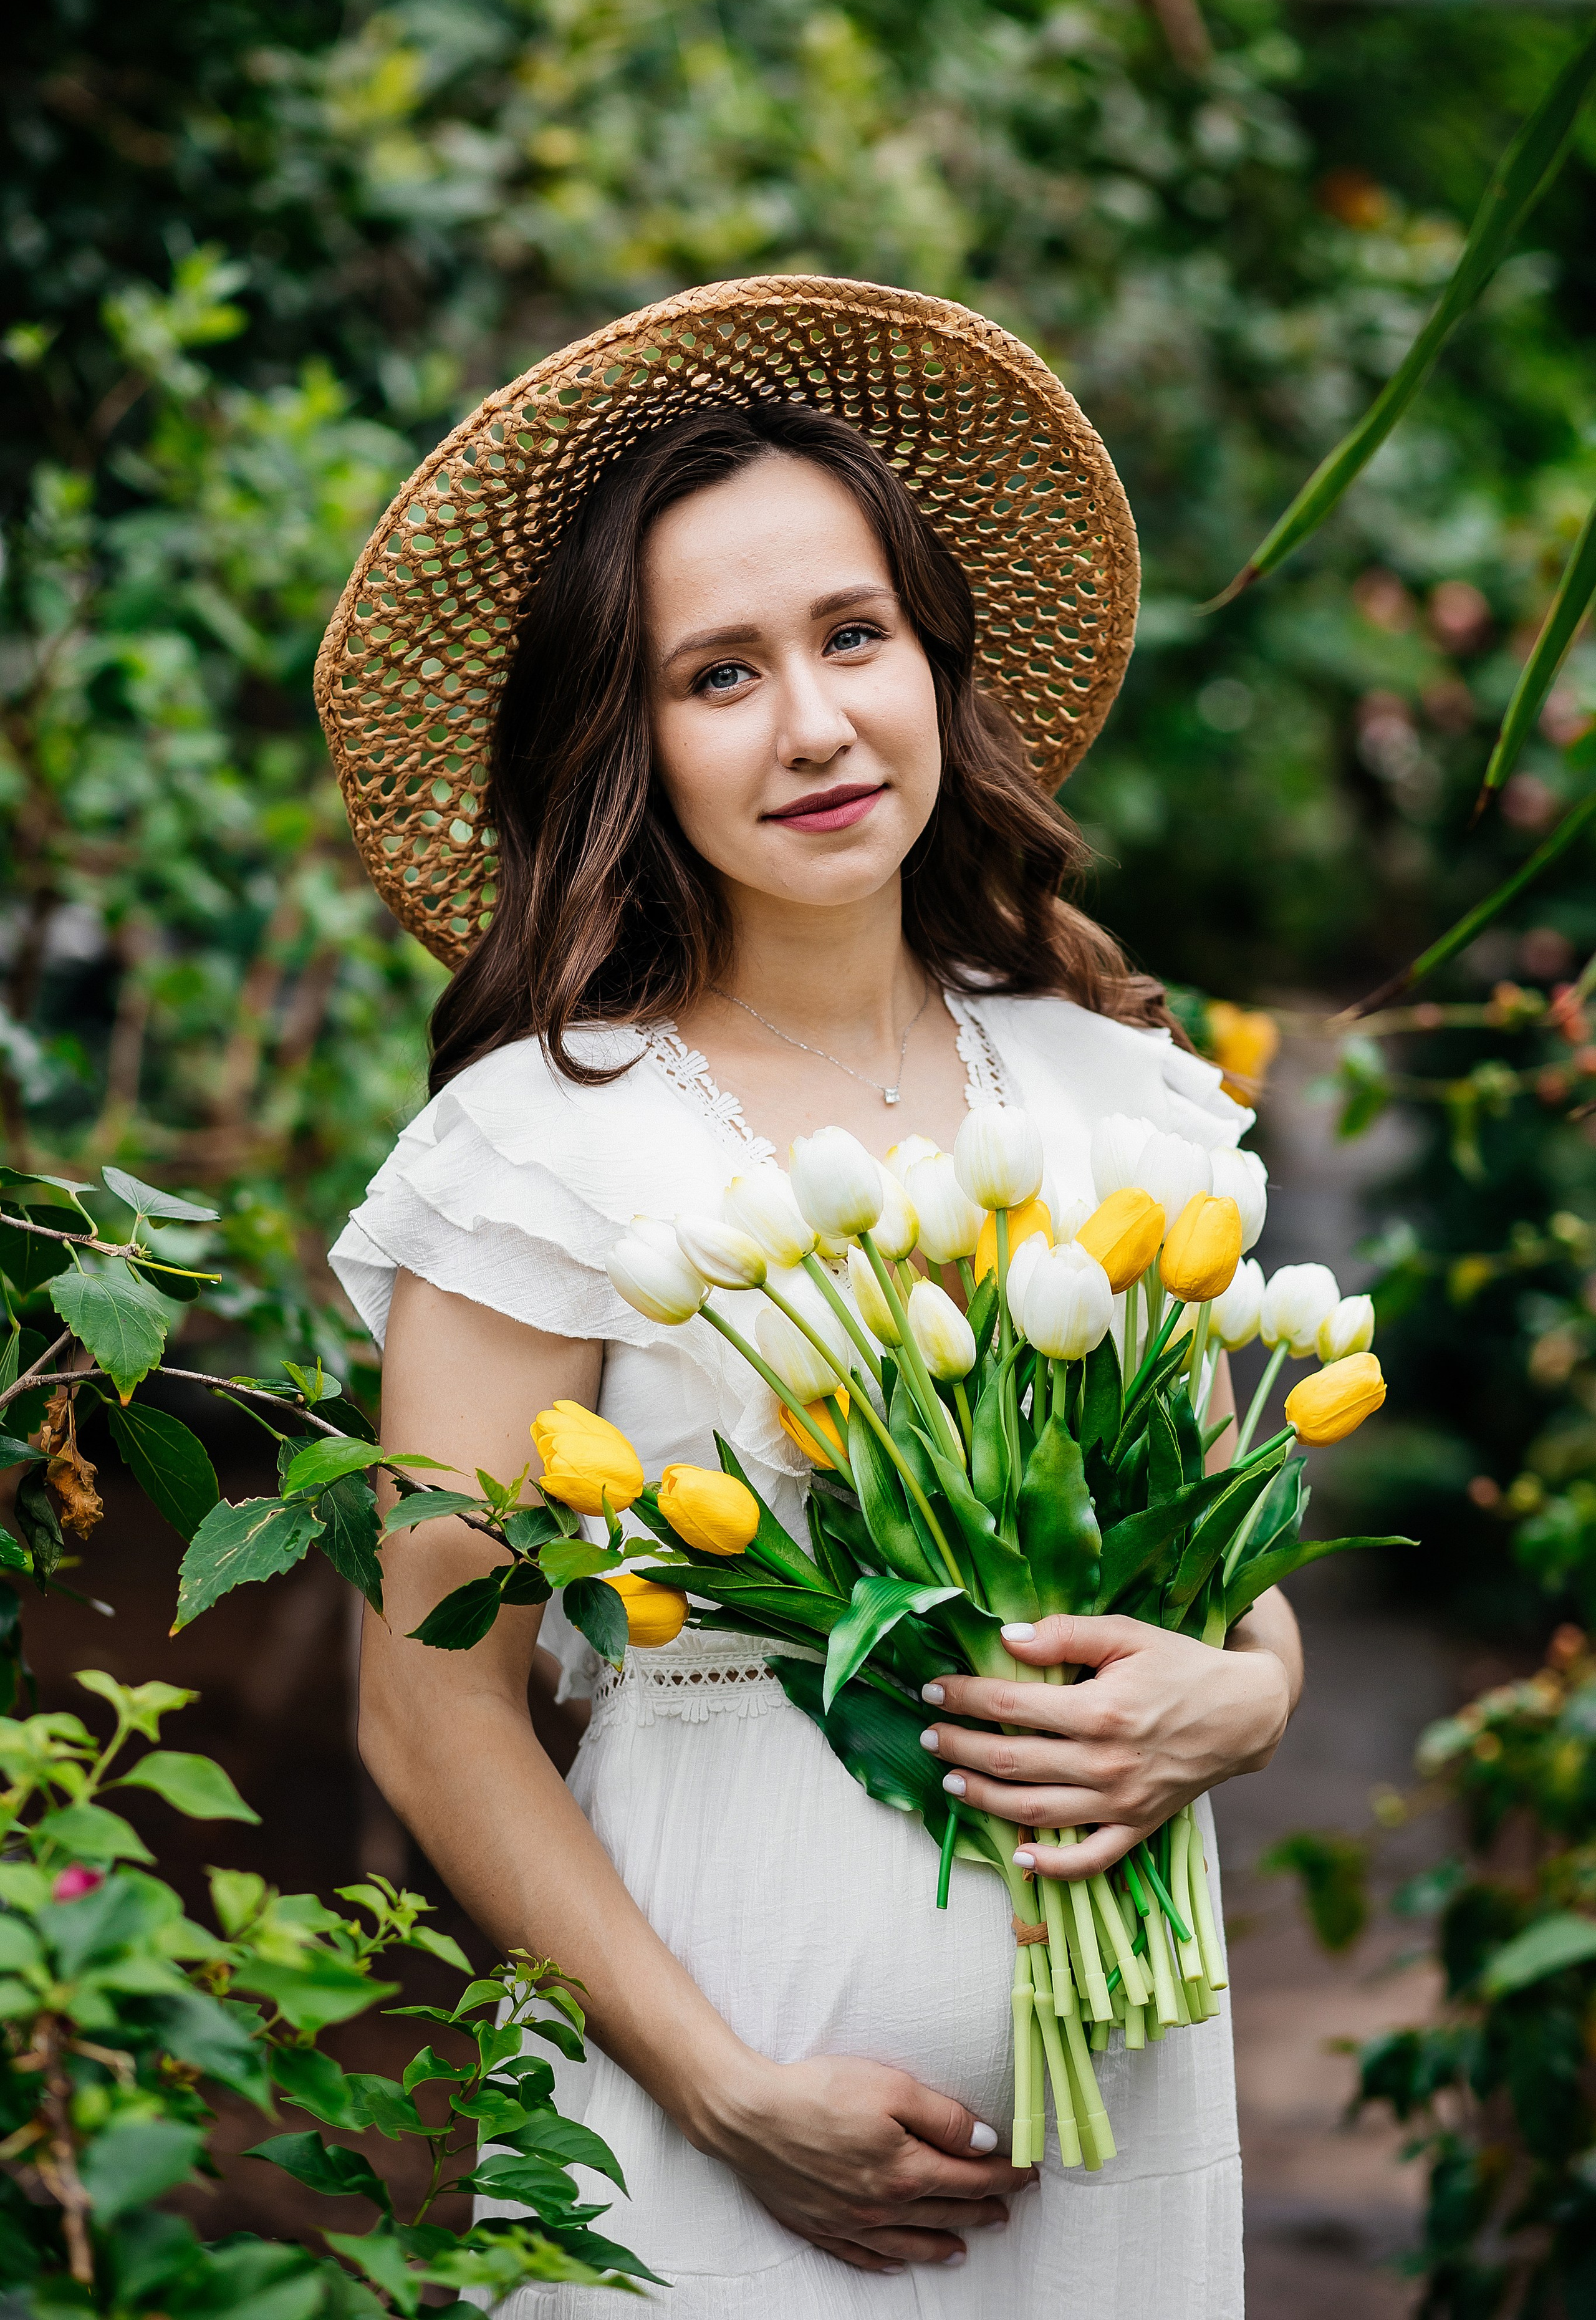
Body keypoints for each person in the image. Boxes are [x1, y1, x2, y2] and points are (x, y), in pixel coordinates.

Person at [321, 277, 1303, 2316]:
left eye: (854, 637)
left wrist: (1253, 1694)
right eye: (719, 675)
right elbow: (428, 1707)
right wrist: (720, 2090)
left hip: (1122, 2127)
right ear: (629, 746)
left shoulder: (1117, 1093)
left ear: (936, 659)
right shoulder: (545, 1145)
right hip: (720, 2105)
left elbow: (1224, 1568)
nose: (816, 725)